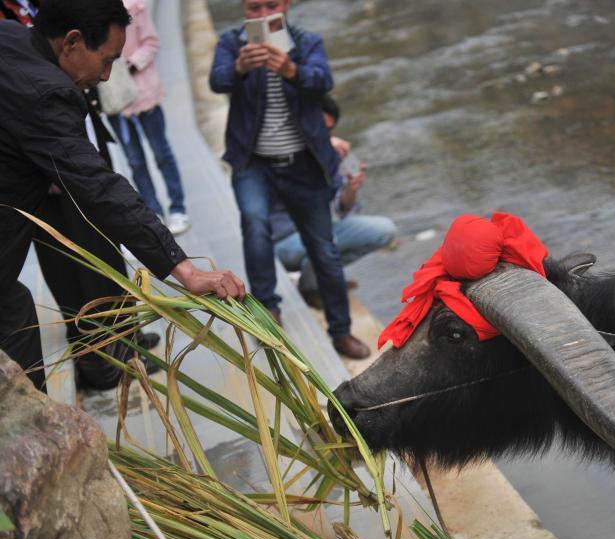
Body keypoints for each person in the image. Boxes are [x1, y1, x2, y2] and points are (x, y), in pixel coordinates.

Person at [0, 0, 245, 392]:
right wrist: (185, 270)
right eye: (107, 59)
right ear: (73, 42)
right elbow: (101, 188)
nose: (106, 75)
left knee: (15, 308)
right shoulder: (47, 94)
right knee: (17, 328)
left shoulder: (10, 37)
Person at [209, 0, 370, 360]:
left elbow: (324, 79)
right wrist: (238, 67)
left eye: (270, 5)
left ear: (286, 5)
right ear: (242, 8)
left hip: (304, 165)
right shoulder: (232, 43)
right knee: (254, 222)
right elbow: (217, 81)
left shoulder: (306, 42)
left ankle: (341, 331)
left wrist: (291, 69)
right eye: (253, 8)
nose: (263, 15)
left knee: (324, 248)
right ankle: (269, 310)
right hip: (254, 163)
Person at [272, 94, 396, 307]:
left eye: (328, 130)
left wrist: (351, 188)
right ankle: (316, 285)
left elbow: (342, 208)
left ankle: (316, 279)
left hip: (319, 230)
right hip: (282, 241)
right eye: (317, 127)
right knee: (326, 238)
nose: (322, 134)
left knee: (385, 230)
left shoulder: (330, 156)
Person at [106, 0, 189, 235]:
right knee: (135, 161)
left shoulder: (135, 7)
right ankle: (153, 212)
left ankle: (178, 207)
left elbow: (151, 42)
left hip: (145, 92)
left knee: (162, 153)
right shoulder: (88, 14)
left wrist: (130, 65)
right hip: (115, 99)